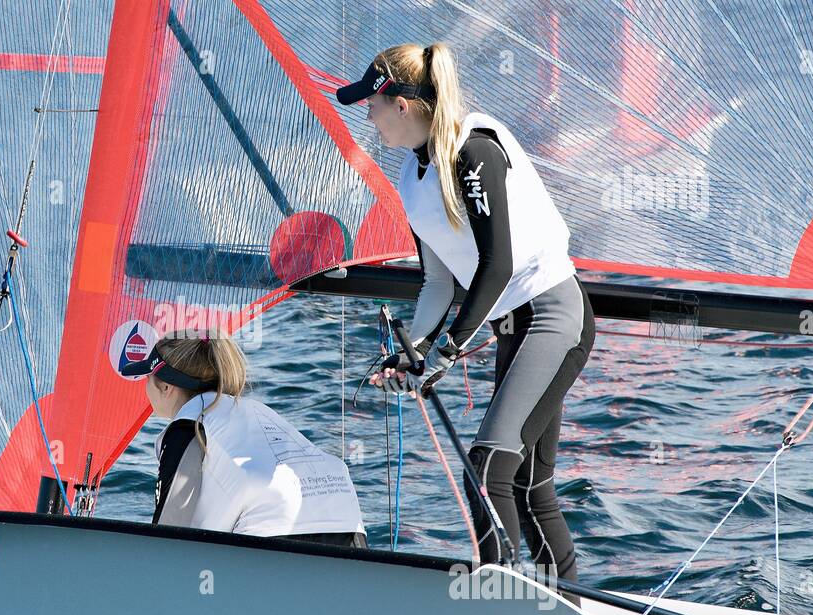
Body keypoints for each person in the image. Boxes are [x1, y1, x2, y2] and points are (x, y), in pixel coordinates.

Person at [339, 43, 595, 586]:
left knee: (487, 470)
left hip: (553, 316)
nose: (368, 117)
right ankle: (567, 612)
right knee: (526, 485)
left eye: (372, 105)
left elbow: (497, 266)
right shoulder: (413, 174)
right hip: (515, 327)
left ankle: (500, 608)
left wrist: (445, 353)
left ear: (402, 104)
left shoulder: (474, 153)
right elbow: (438, 282)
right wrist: (412, 352)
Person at [121, 333, 367, 548]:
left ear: (165, 386)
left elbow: (168, 532)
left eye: (146, 378)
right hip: (347, 518)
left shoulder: (187, 425)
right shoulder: (253, 410)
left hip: (274, 534)